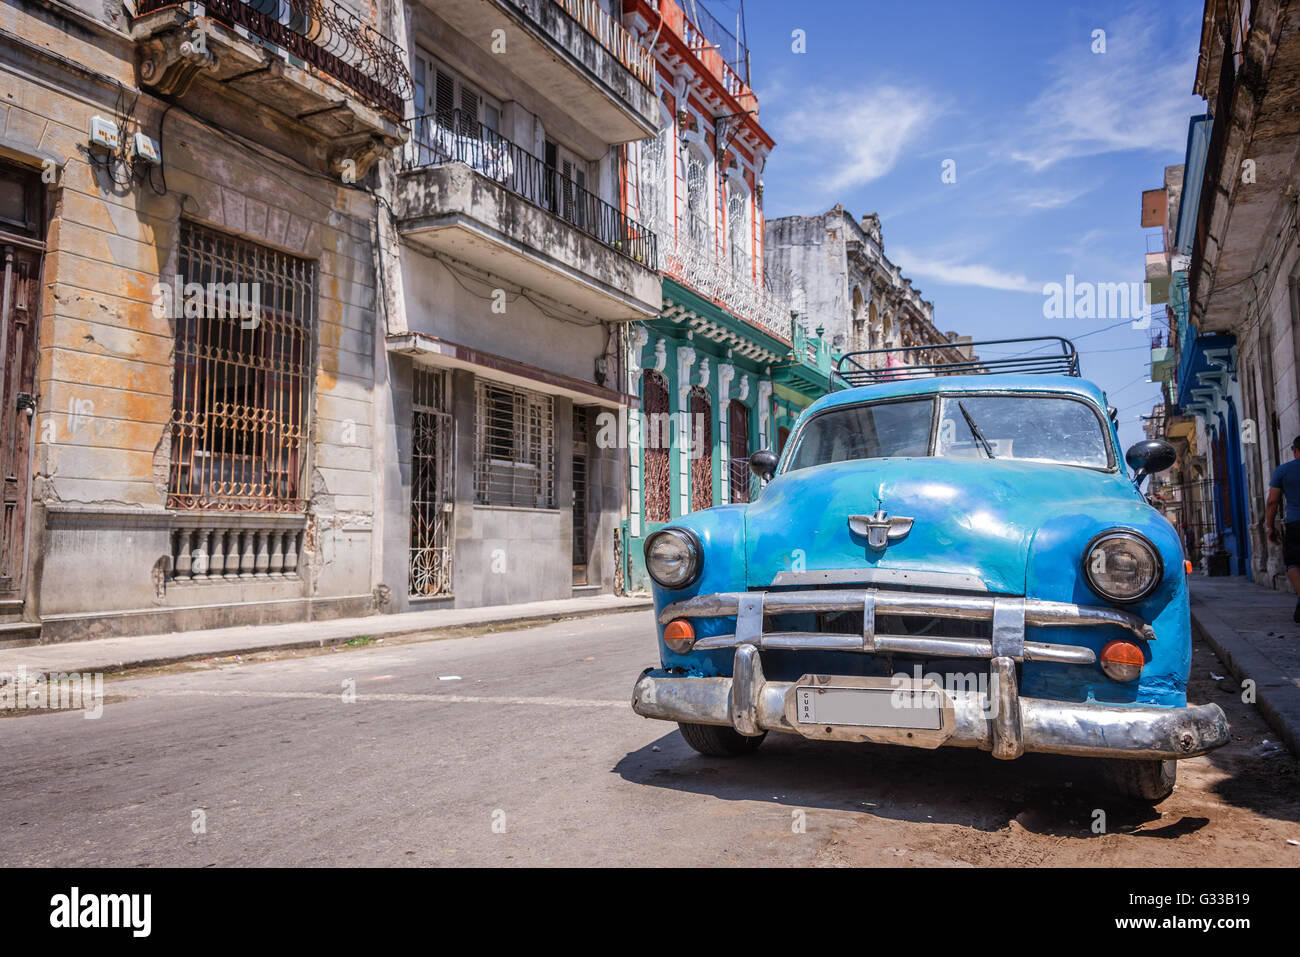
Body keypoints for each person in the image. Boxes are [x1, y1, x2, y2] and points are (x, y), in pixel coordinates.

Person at [1266, 435, 1300, 621]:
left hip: (1295, 524)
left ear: (1295, 449)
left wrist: (1270, 527)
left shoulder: (1283, 471)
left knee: (1294, 563)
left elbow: (1273, 502)